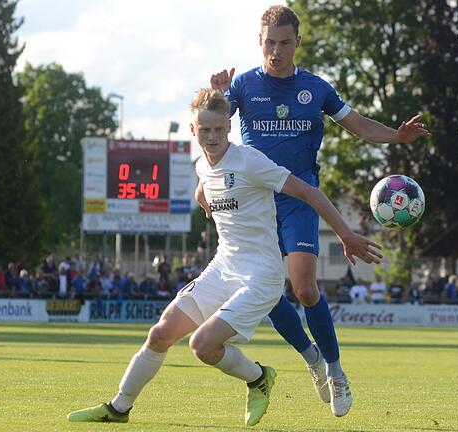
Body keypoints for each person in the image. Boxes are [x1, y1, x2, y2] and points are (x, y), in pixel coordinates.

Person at [67, 89, 381, 426]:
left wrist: (345, 235)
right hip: (223, 267)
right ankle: (118, 409)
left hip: (261, 275)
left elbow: (308, 192)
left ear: (228, 128)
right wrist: (201, 198)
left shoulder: (250, 161)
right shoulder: (203, 164)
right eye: (205, 130)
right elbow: (206, 184)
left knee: (202, 346)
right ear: (193, 131)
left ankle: (259, 377)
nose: (213, 136)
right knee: (160, 334)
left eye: (219, 129)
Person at [205, 5, 429, 417]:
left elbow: (358, 124)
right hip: (254, 205)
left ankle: (336, 370)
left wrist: (397, 137)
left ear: (297, 43)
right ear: (259, 41)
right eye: (269, 42)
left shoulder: (315, 88)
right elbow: (212, 129)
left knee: (305, 288)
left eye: (284, 43)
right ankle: (309, 356)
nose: (276, 50)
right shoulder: (243, 87)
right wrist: (217, 93)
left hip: (300, 198)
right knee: (266, 293)